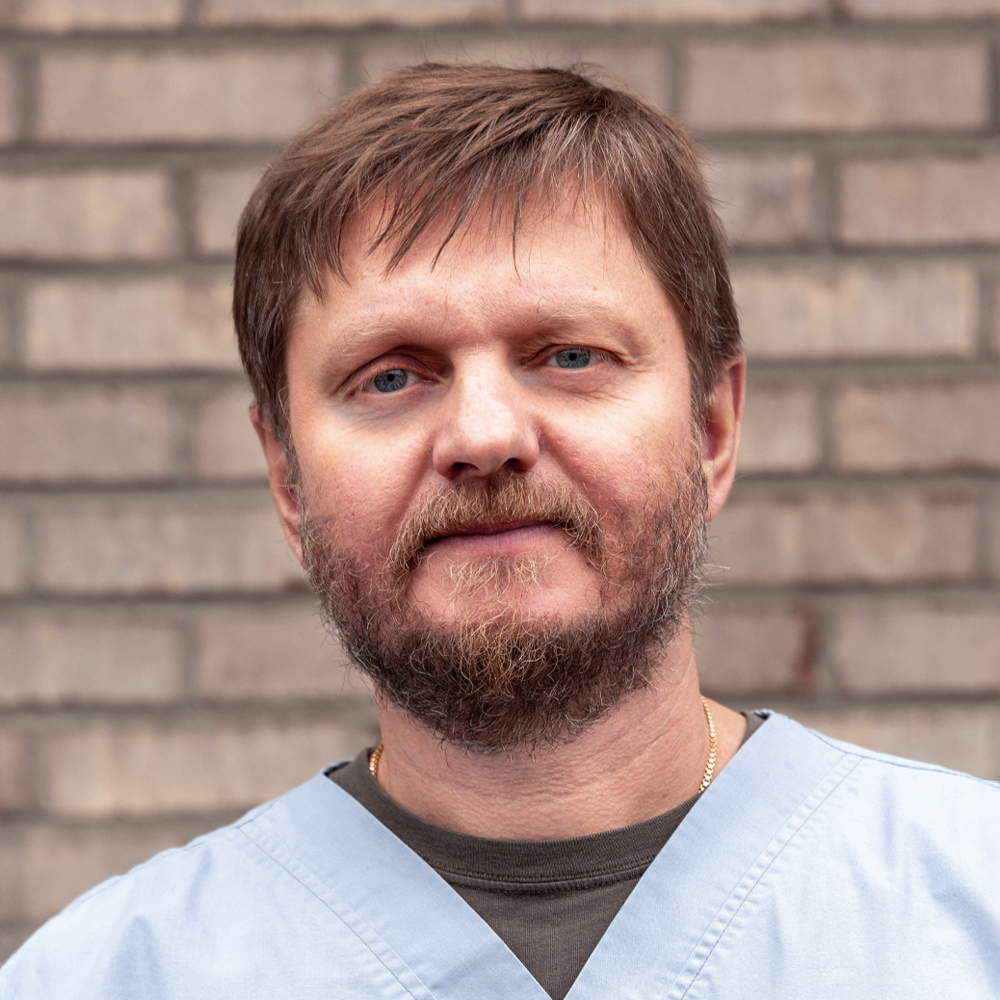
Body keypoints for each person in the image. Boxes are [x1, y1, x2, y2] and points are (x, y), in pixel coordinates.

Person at [2, 63, 998, 999]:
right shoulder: (108, 977)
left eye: (569, 354)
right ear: (287, 476)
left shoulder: (971, 911)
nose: (484, 436)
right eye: (390, 375)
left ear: (711, 427)